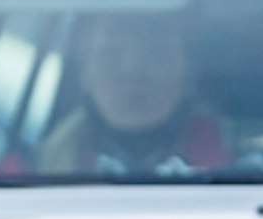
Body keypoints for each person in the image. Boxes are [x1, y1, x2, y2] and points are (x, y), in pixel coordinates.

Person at [18, 15, 232, 180]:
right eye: (111, 54)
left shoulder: (246, 178)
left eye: (155, 53)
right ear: (85, 74)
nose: (133, 72)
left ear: (189, 76)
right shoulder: (16, 178)